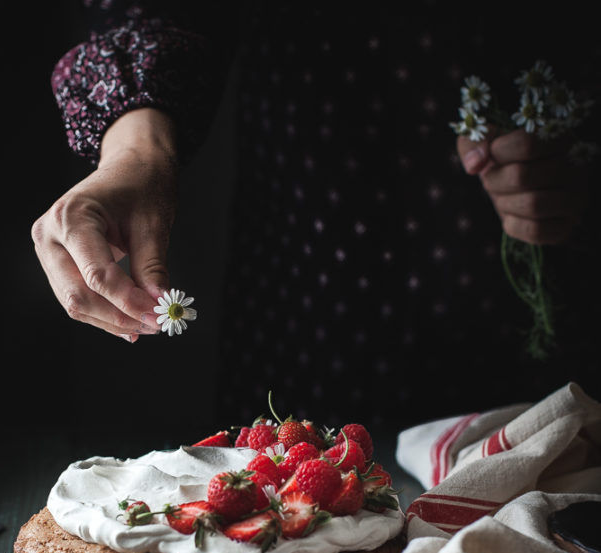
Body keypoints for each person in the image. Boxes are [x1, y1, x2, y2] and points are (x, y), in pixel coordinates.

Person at [32, 2, 600, 430]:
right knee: (285, 525)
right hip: (309, 271)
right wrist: (137, 154)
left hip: (535, 291)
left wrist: (580, 163)